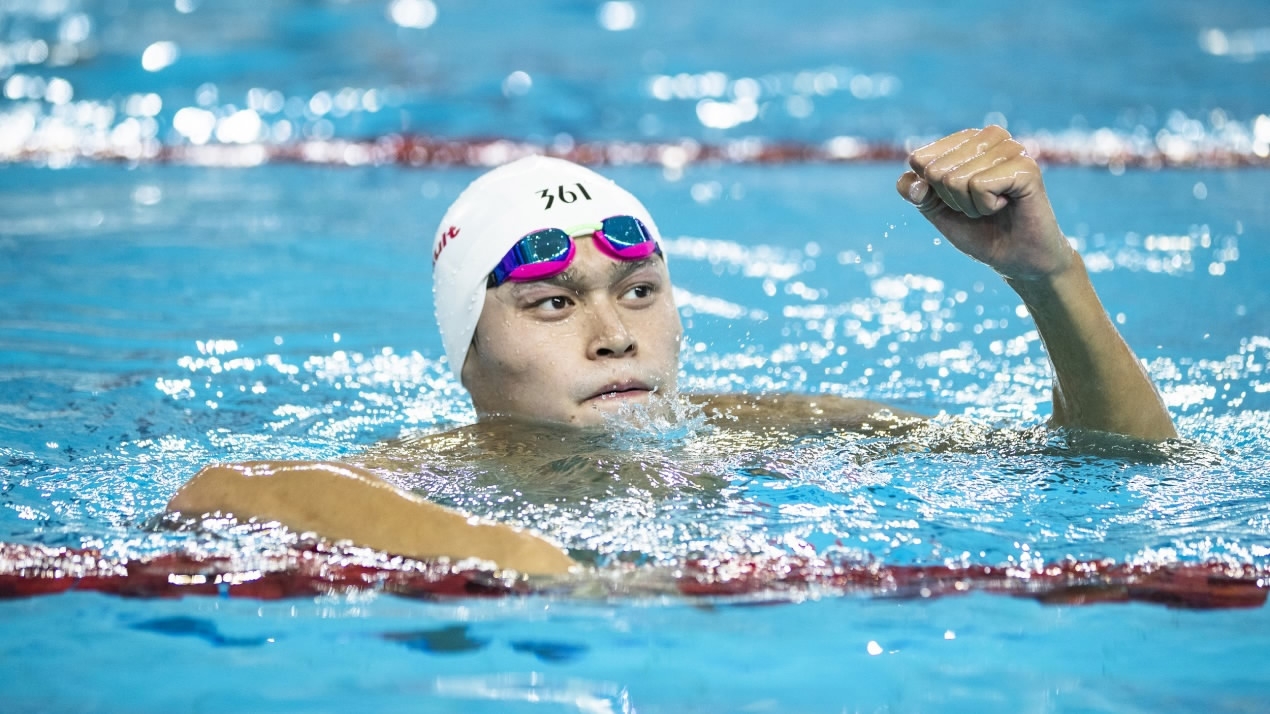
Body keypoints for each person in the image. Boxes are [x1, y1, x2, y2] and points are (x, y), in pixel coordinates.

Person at [167, 126, 1177, 575]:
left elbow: (1121, 463)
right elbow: (220, 490)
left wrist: (1048, 278)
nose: (615, 336)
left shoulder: (768, 431)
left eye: (639, 292)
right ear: (467, 359)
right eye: (551, 306)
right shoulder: (441, 475)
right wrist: (524, 560)